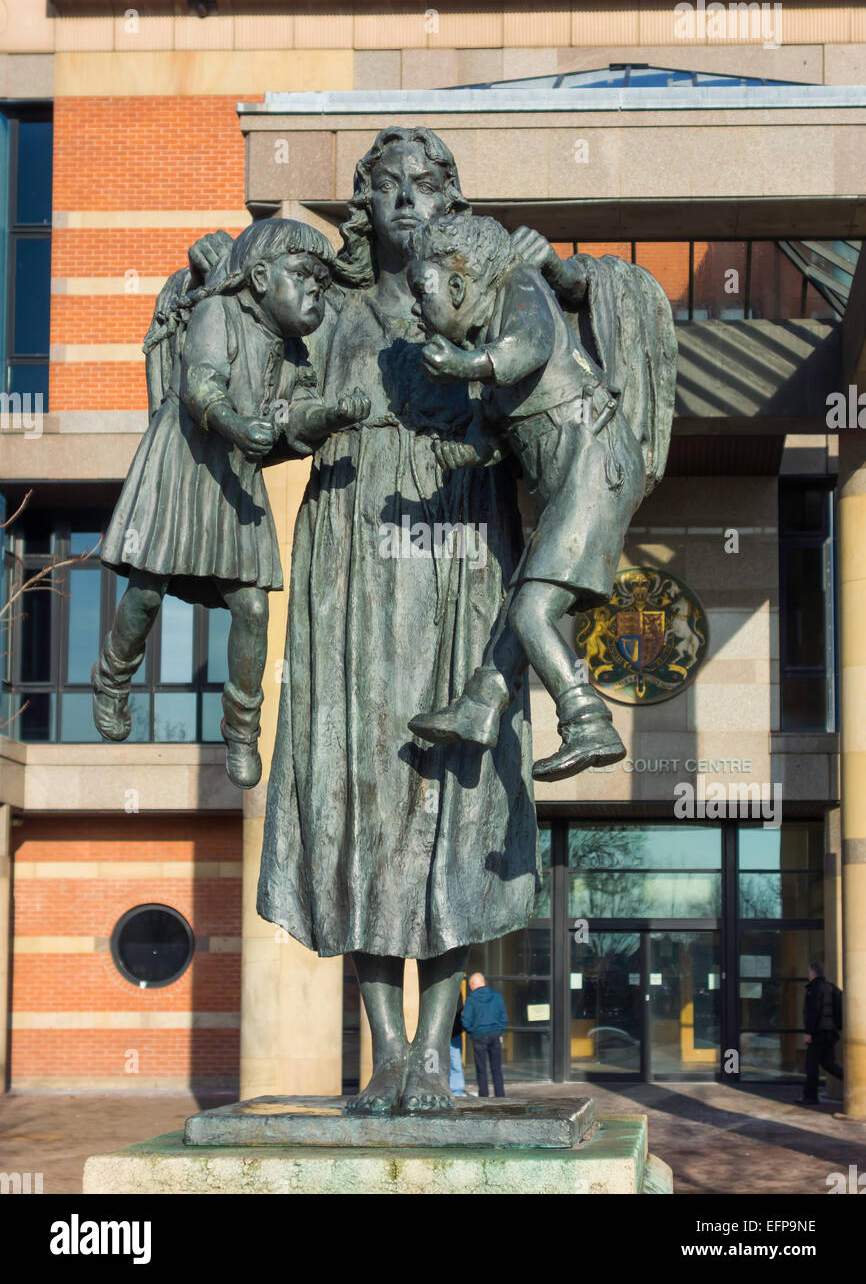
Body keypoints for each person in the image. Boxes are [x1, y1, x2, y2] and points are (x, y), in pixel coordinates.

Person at [257, 127, 539, 1114]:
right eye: (392, 189)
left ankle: (431, 1052)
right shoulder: (325, 307)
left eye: (428, 185)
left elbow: (534, 394)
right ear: (364, 208)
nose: (411, 202)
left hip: (455, 544)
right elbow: (261, 416)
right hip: (347, 560)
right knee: (356, 797)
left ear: (448, 198)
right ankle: (383, 1051)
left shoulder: (479, 287)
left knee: (451, 805)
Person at [92, 218, 369, 788]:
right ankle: (112, 680)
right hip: (185, 462)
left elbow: (296, 415)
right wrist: (238, 424)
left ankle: (241, 731)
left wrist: (331, 416)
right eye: (303, 274)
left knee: (253, 607)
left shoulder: (293, 355)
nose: (315, 286)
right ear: (262, 277)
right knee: (146, 592)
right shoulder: (218, 313)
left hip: (235, 476)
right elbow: (200, 384)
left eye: (321, 278)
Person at [406, 213, 645, 781]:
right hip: (572, 476)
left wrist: (465, 365)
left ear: (460, 285)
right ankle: (481, 706)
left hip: (595, 461)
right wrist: (462, 453)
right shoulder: (487, 343)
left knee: (532, 609)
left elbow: (530, 347)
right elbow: (495, 436)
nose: (418, 308)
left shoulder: (518, 289)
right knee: (522, 604)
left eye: (424, 292)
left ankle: (588, 720)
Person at [799, 960, 843, 1105]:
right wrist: (837, 1027)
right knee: (829, 1064)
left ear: (812, 973)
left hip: (818, 1033)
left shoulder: (813, 989)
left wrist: (808, 1032)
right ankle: (853, 1081)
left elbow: (813, 1011)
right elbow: (839, 1010)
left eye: (809, 972)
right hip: (830, 1033)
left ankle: (810, 1097)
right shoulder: (833, 988)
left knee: (811, 1065)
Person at [461, 972, 508, 1098]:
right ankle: (500, 1096)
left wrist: (473, 1031)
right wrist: (499, 1031)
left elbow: (466, 1020)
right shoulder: (497, 996)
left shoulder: (471, 999)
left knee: (481, 1070)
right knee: (496, 1069)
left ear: (473, 984)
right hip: (494, 1035)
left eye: (470, 985)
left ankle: (484, 1096)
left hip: (479, 1036)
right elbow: (503, 1017)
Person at [449, 991, 467, 1097]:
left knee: (455, 1062)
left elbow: (460, 1008)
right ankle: (455, 1090)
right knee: (453, 1062)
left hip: (453, 1033)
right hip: (450, 1032)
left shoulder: (455, 990)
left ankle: (456, 1090)